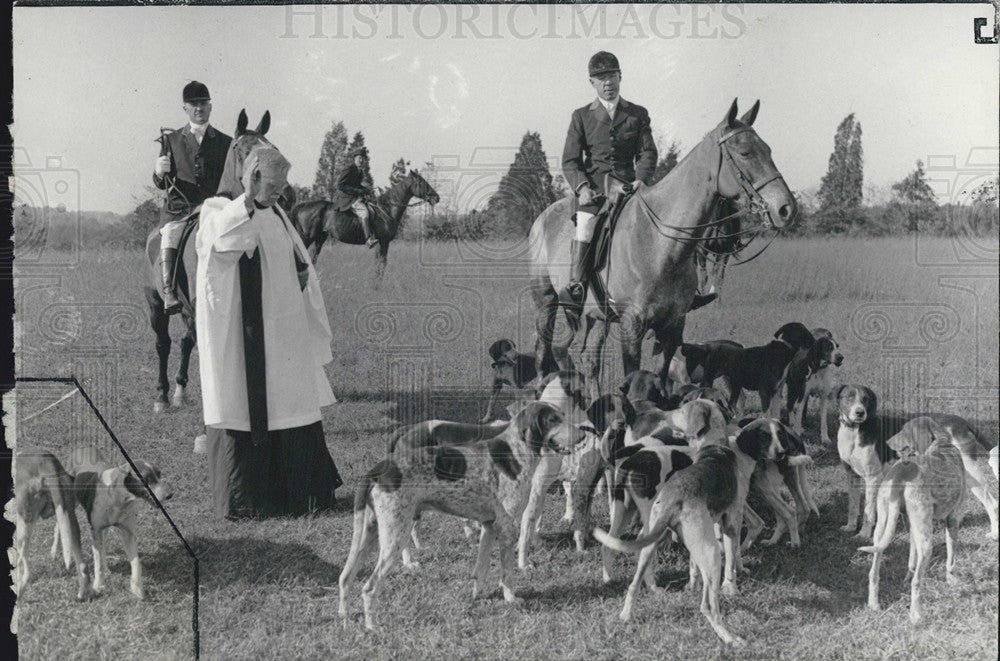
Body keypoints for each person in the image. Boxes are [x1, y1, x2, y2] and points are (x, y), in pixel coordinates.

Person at [195, 147, 341, 520]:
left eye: (284, 184)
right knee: (249, 404)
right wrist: (245, 200)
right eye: (274, 184)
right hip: (248, 339)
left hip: (283, 332)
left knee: (291, 401)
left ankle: (303, 495)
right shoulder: (219, 209)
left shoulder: (275, 212)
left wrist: (300, 275)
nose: (282, 192)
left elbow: (291, 255)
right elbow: (224, 244)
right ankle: (253, 500)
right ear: (253, 176)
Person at [561, 51, 657, 310]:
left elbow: (647, 152)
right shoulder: (581, 116)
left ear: (620, 77)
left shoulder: (637, 113)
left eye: (612, 75)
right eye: (601, 78)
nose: (608, 82)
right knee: (585, 225)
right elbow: (570, 160)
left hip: (630, 188)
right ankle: (577, 285)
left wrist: (640, 179)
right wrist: (581, 188)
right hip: (595, 192)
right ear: (592, 83)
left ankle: (680, 286)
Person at [154, 81, 232, 314]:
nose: (199, 108)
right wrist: (159, 172)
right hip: (181, 209)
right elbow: (161, 184)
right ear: (185, 108)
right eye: (194, 104)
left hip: (213, 207)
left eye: (203, 103)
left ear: (210, 107)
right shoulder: (172, 140)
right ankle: (169, 291)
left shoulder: (226, 142)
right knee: (171, 234)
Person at [334, 147, 378, 248]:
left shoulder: (360, 171)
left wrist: (367, 190)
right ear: (355, 159)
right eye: (359, 158)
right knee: (364, 212)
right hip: (346, 198)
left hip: (353, 197)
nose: (361, 160)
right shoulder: (349, 168)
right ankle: (368, 239)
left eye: (363, 159)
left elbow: (356, 185)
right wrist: (359, 191)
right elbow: (340, 185)